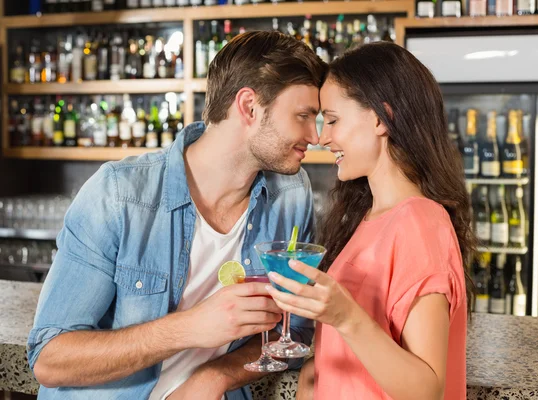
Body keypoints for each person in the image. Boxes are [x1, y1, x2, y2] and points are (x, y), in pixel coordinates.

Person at [27, 31, 328, 400]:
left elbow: (293, 331)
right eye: (303, 116)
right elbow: (49, 358)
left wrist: (214, 376)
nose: (315, 136)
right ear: (249, 107)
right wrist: (190, 328)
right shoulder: (118, 194)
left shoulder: (291, 194)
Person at [264, 41, 475, 400]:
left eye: (332, 120)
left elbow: (427, 390)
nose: (323, 137)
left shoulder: (420, 223)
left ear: (381, 118)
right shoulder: (368, 218)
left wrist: (345, 316)